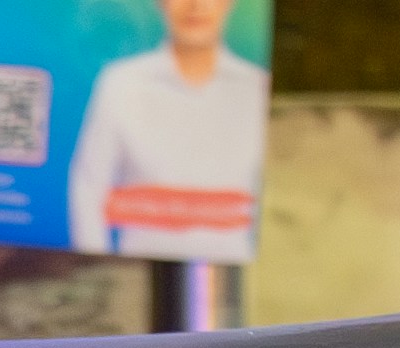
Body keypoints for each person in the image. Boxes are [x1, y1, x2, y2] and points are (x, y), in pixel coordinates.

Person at [69, 0, 264, 261]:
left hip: (232, 273)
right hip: (138, 272)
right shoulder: (122, 82)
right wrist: (99, 267)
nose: (195, 5)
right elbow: (89, 187)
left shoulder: (257, 88)